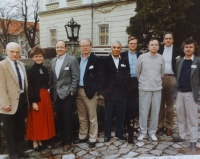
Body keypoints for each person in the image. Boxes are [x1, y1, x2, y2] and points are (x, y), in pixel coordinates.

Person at [0, 42, 29, 159]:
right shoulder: (2, 65)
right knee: (9, 130)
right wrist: (5, 103)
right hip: (8, 103)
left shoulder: (21, 65)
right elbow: (1, 87)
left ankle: (20, 150)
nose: (15, 54)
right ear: (6, 51)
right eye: (12, 51)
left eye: (17, 52)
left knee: (20, 128)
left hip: (21, 101)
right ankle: (13, 153)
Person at [50, 40, 79, 152]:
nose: (59, 49)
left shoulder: (71, 60)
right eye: (57, 47)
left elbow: (75, 77)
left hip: (67, 94)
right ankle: (61, 138)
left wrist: (72, 91)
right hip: (56, 95)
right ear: (55, 48)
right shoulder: (53, 61)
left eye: (61, 47)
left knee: (67, 119)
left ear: (66, 48)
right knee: (60, 118)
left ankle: (67, 142)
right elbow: (52, 78)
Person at [26, 46, 56, 151]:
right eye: (36, 56)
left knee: (43, 119)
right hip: (36, 97)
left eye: (40, 56)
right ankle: (35, 141)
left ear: (43, 57)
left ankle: (41, 140)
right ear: (33, 58)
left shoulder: (44, 69)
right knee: (36, 120)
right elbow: (29, 88)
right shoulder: (29, 70)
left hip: (45, 97)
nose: (38, 58)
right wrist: (33, 101)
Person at [100, 41, 129, 142]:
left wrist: (124, 87)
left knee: (121, 114)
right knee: (109, 114)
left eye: (118, 47)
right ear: (111, 48)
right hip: (110, 93)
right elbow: (103, 77)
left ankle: (119, 133)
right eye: (114, 47)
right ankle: (107, 135)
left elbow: (127, 75)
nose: (116, 49)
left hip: (122, 93)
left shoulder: (125, 59)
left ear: (120, 49)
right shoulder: (105, 60)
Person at [173, 38, 200, 149]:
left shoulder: (198, 61)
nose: (188, 49)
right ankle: (182, 135)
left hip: (191, 93)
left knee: (192, 118)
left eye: (190, 47)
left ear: (194, 49)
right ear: (183, 49)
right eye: (186, 47)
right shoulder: (179, 61)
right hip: (180, 93)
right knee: (180, 116)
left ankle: (193, 139)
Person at [136, 38, 165, 141]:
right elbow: (138, 72)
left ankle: (152, 132)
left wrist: (155, 82)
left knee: (155, 111)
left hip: (157, 88)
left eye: (156, 45)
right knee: (144, 111)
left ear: (158, 47)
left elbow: (161, 73)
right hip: (144, 88)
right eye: (151, 45)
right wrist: (144, 82)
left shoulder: (161, 58)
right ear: (148, 46)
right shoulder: (142, 57)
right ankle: (143, 132)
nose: (154, 46)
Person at [73, 38, 99, 148]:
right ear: (80, 47)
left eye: (87, 45)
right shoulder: (77, 60)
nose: (85, 47)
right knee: (82, 116)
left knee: (92, 117)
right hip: (78, 90)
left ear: (91, 46)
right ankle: (83, 136)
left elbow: (100, 77)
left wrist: (96, 90)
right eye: (82, 45)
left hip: (90, 92)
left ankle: (93, 138)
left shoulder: (96, 60)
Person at [157, 32, 182, 136]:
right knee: (160, 104)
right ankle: (160, 125)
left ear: (172, 40)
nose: (167, 40)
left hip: (172, 78)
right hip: (160, 78)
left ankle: (169, 127)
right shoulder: (159, 50)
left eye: (169, 38)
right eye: (166, 38)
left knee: (170, 105)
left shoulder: (177, 51)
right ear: (163, 40)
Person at [121, 36, 142, 130]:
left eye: (134, 43)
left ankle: (131, 124)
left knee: (133, 104)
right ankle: (124, 124)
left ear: (137, 45)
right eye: (131, 43)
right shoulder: (123, 55)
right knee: (125, 103)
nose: (133, 45)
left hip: (136, 81)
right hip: (126, 81)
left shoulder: (141, 55)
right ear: (128, 44)